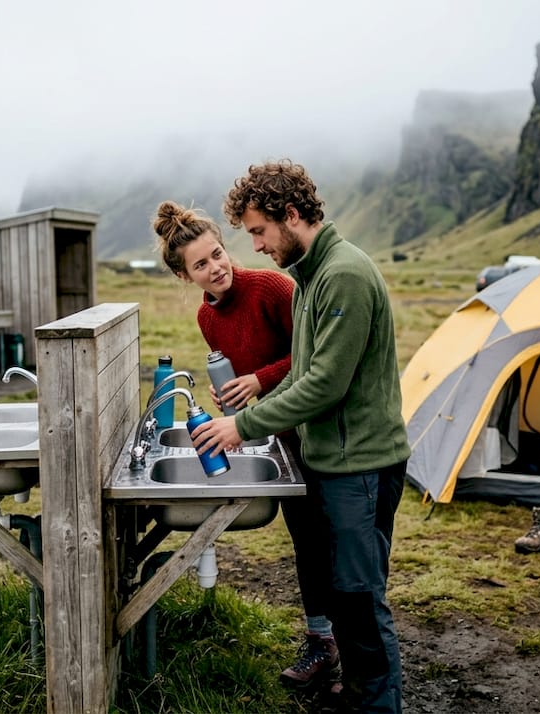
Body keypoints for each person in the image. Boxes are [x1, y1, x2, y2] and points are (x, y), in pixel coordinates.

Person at [191, 159, 411, 713]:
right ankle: (359, 696)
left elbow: (324, 385)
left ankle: (377, 705)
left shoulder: (343, 275)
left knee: (361, 602)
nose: (256, 246)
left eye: (260, 231)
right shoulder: (311, 278)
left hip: (362, 464)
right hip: (336, 459)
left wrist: (243, 424)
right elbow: (301, 372)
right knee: (345, 595)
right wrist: (249, 413)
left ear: (290, 215)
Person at [151, 200, 340, 690]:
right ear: (184, 275)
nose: (216, 268)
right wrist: (231, 392)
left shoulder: (272, 288)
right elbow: (237, 369)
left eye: (217, 254)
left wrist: (258, 380)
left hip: (319, 430)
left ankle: (353, 644)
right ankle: (322, 640)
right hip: (278, 435)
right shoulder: (207, 317)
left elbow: (315, 358)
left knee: (336, 539)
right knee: (305, 538)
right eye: (200, 265)